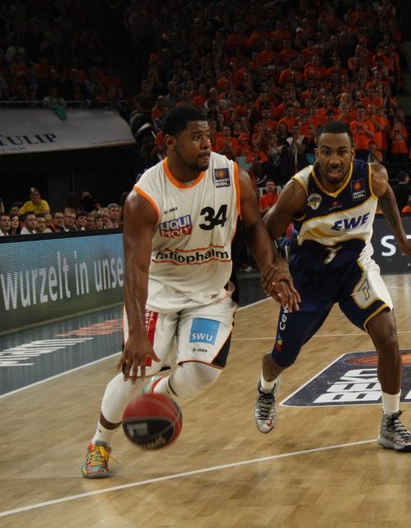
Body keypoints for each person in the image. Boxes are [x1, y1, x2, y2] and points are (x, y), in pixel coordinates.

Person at [81, 106, 298, 478]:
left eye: (208, 135)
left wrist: (270, 265)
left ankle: (159, 392)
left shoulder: (231, 176)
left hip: (210, 293)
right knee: (135, 373)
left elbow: (253, 227)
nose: (206, 143)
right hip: (159, 293)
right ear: (170, 142)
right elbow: (135, 269)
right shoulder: (144, 197)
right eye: (196, 137)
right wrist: (136, 333)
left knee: (201, 374)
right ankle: (99, 444)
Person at [253, 120, 411, 452]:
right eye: (326, 152)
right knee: (282, 357)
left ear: (352, 153)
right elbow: (264, 230)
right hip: (308, 279)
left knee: (388, 338)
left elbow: (387, 196)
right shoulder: (299, 190)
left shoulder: (372, 177)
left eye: (341, 152)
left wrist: (402, 239)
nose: (334, 160)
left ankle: (390, 421)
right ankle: (266, 387)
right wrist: (276, 266)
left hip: (354, 269)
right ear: (316, 153)